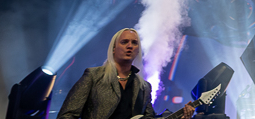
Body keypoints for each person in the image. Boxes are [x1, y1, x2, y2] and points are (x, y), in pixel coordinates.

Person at [57, 28, 196, 119]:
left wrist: (181, 116)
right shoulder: (93, 76)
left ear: (138, 50)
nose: (130, 46)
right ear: (113, 48)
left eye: (134, 43)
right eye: (124, 42)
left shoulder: (144, 87)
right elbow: (67, 115)